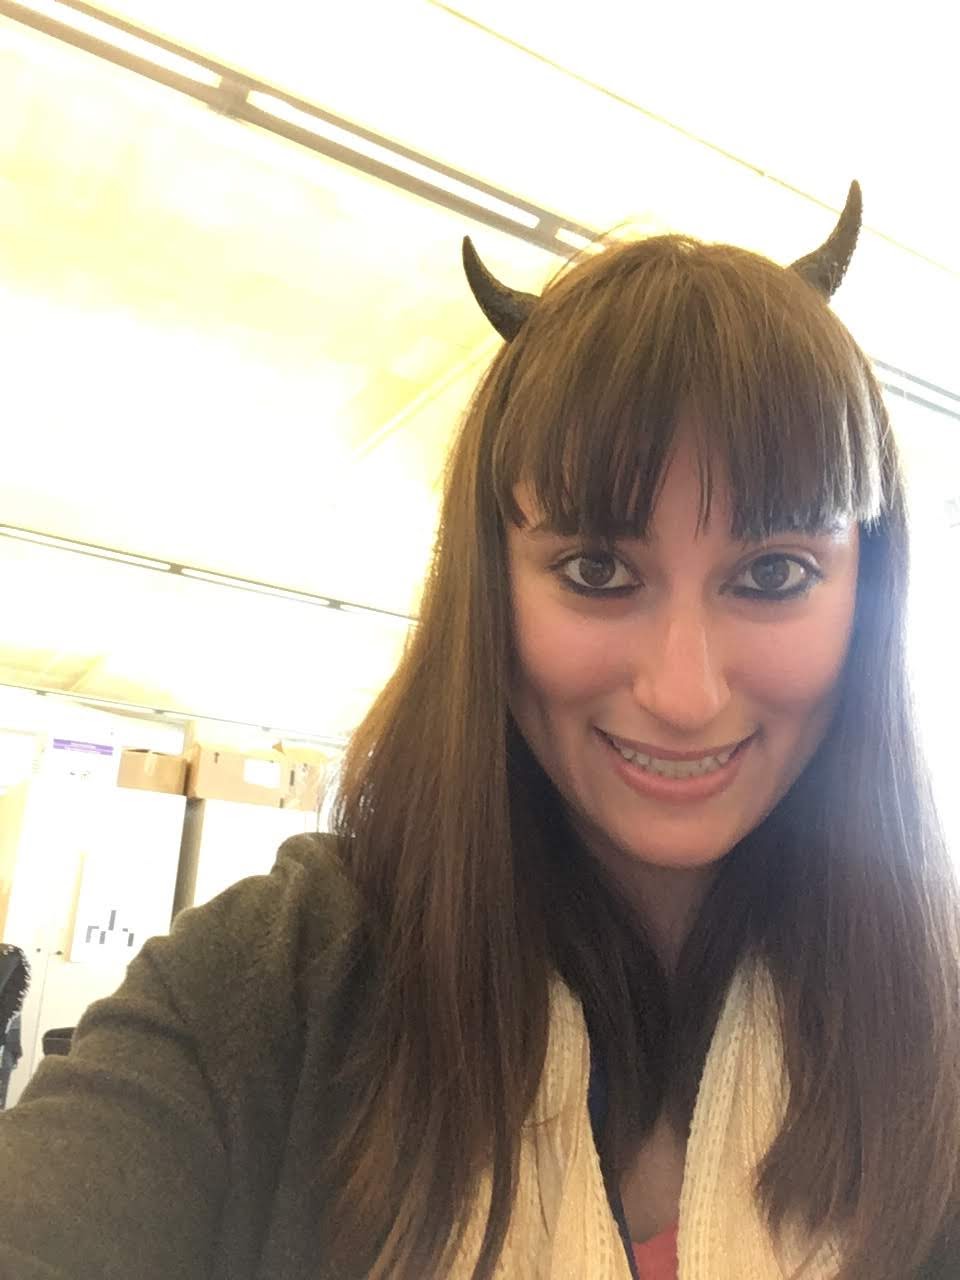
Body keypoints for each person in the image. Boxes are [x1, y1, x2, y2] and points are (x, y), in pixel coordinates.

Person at [0, 183, 958, 1280]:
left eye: (773, 574)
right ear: (488, 587)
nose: (685, 693)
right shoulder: (276, 991)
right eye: (595, 570)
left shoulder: (935, 1016)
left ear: (869, 586)